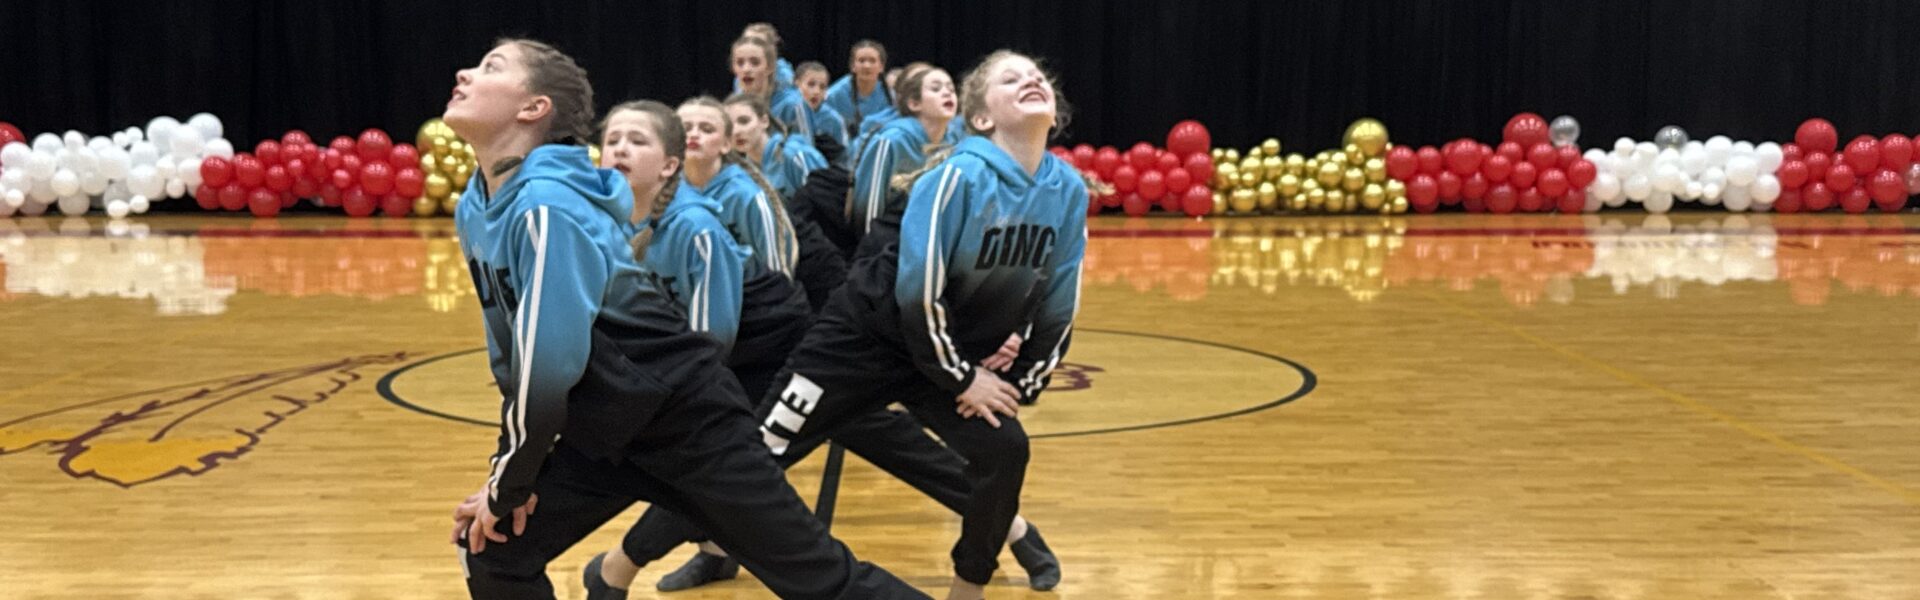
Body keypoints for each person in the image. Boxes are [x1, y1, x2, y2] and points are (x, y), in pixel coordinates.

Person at [440, 38, 925, 600]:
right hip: (606, 434)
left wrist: (508, 483)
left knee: (822, 580)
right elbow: (511, 357)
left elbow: (548, 366)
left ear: (533, 107)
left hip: (690, 427)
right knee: (492, 547)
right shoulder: (476, 204)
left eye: (491, 66)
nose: (465, 72)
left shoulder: (546, 206)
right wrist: (507, 472)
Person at [761, 49, 1084, 600]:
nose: (1031, 79)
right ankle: (625, 564)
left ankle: (969, 586)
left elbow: (1059, 300)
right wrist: (964, 377)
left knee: (1004, 448)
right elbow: (914, 290)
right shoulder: (953, 175)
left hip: (937, 353)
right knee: (756, 454)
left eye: (1037, 75)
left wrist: (1017, 382)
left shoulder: (1067, 189)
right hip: (864, 341)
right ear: (981, 117)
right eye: (1011, 78)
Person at [676, 96, 800, 279]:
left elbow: (778, 275)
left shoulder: (747, 196)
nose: (693, 134)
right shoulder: (663, 192)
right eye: (685, 129)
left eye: (707, 129)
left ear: (726, 144)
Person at [824, 40, 891, 136]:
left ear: (881, 67)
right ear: (853, 66)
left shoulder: (890, 96)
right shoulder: (834, 95)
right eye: (861, 61)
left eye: (872, 61)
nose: (867, 66)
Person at [794, 61, 851, 151]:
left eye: (822, 87)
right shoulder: (789, 112)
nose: (816, 91)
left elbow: (845, 154)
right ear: (797, 85)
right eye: (811, 84)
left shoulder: (834, 120)